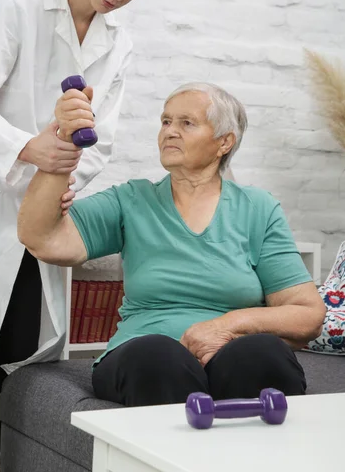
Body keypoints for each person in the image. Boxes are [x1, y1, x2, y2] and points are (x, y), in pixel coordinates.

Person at [0, 0, 168, 472]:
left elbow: (104, 140)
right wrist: (31, 150)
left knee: (16, 351)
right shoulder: (19, 4)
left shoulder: (118, 40)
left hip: (39, 217)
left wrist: (61, 180)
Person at [18, 81, 326, 407]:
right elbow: (43, 238)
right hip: (145, 354)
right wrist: (65, 139)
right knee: (158, 356)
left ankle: (244, 454)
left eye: (186, 123)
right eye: (165, 121)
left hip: (230, 354)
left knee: (263, 353)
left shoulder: (258, 209)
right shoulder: (132, 200)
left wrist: (226, 325)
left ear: (224, 142)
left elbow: (307, 315)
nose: (169, 132)